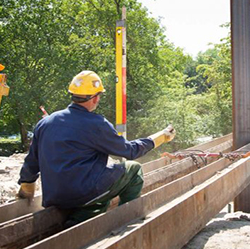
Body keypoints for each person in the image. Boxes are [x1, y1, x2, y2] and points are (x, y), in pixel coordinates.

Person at [17, 70, 175, 226]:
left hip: (54, 197)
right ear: (95, 98)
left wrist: (26, 185)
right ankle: (126, 220)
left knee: (102, 186)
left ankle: (80, 220)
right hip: (82, 194)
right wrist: (161, 137)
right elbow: (130, 151)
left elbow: (32, 161)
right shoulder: (96, 124)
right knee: (133, 170)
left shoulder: (45, 123)